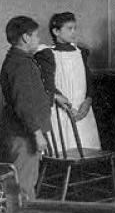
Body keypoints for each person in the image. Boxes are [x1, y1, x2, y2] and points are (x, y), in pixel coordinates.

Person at [0, 16, 51, 201]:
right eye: (36, 36)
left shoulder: (19, 60)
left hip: (24, 132)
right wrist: (37, 133)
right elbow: (24, 103)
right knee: (23, 185)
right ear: (26, 37)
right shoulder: (20, 64)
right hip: (24, 135)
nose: (38, 40)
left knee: (26, 181)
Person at [35, 12, 100, 151]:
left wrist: (87, 102)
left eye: (75, 28)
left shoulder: (80, 52)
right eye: (69, 28)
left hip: (83, 109)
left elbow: (89, 81)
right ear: (56, 31)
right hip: (62, 110)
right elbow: (48, 84)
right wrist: (68, 107)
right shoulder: (47, 54)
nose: (74, 32)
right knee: (65, 147)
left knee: (86, 148)